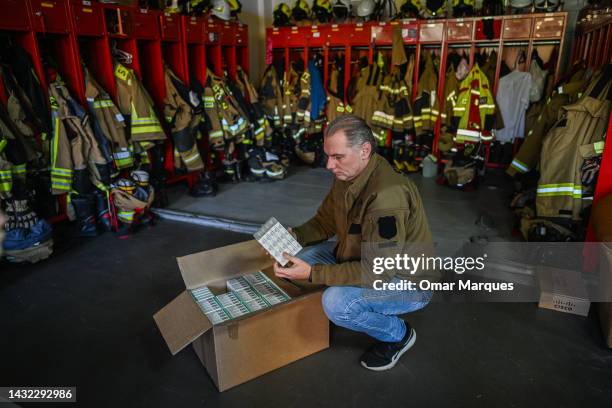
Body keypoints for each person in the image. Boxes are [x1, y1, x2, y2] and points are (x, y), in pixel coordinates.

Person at [274, 115, 434, 371]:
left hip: (406, 281)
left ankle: (398, 335)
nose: (329, 165)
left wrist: (314, 273)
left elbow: (376, 272)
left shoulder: (386, 197)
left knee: (336, 303)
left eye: (337, 157)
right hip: (359, 258)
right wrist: (295, 237)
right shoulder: (348, 175)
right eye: (328, 156)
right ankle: (344, 306)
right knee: (299, 259)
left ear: (364, 150)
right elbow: (324, 222)